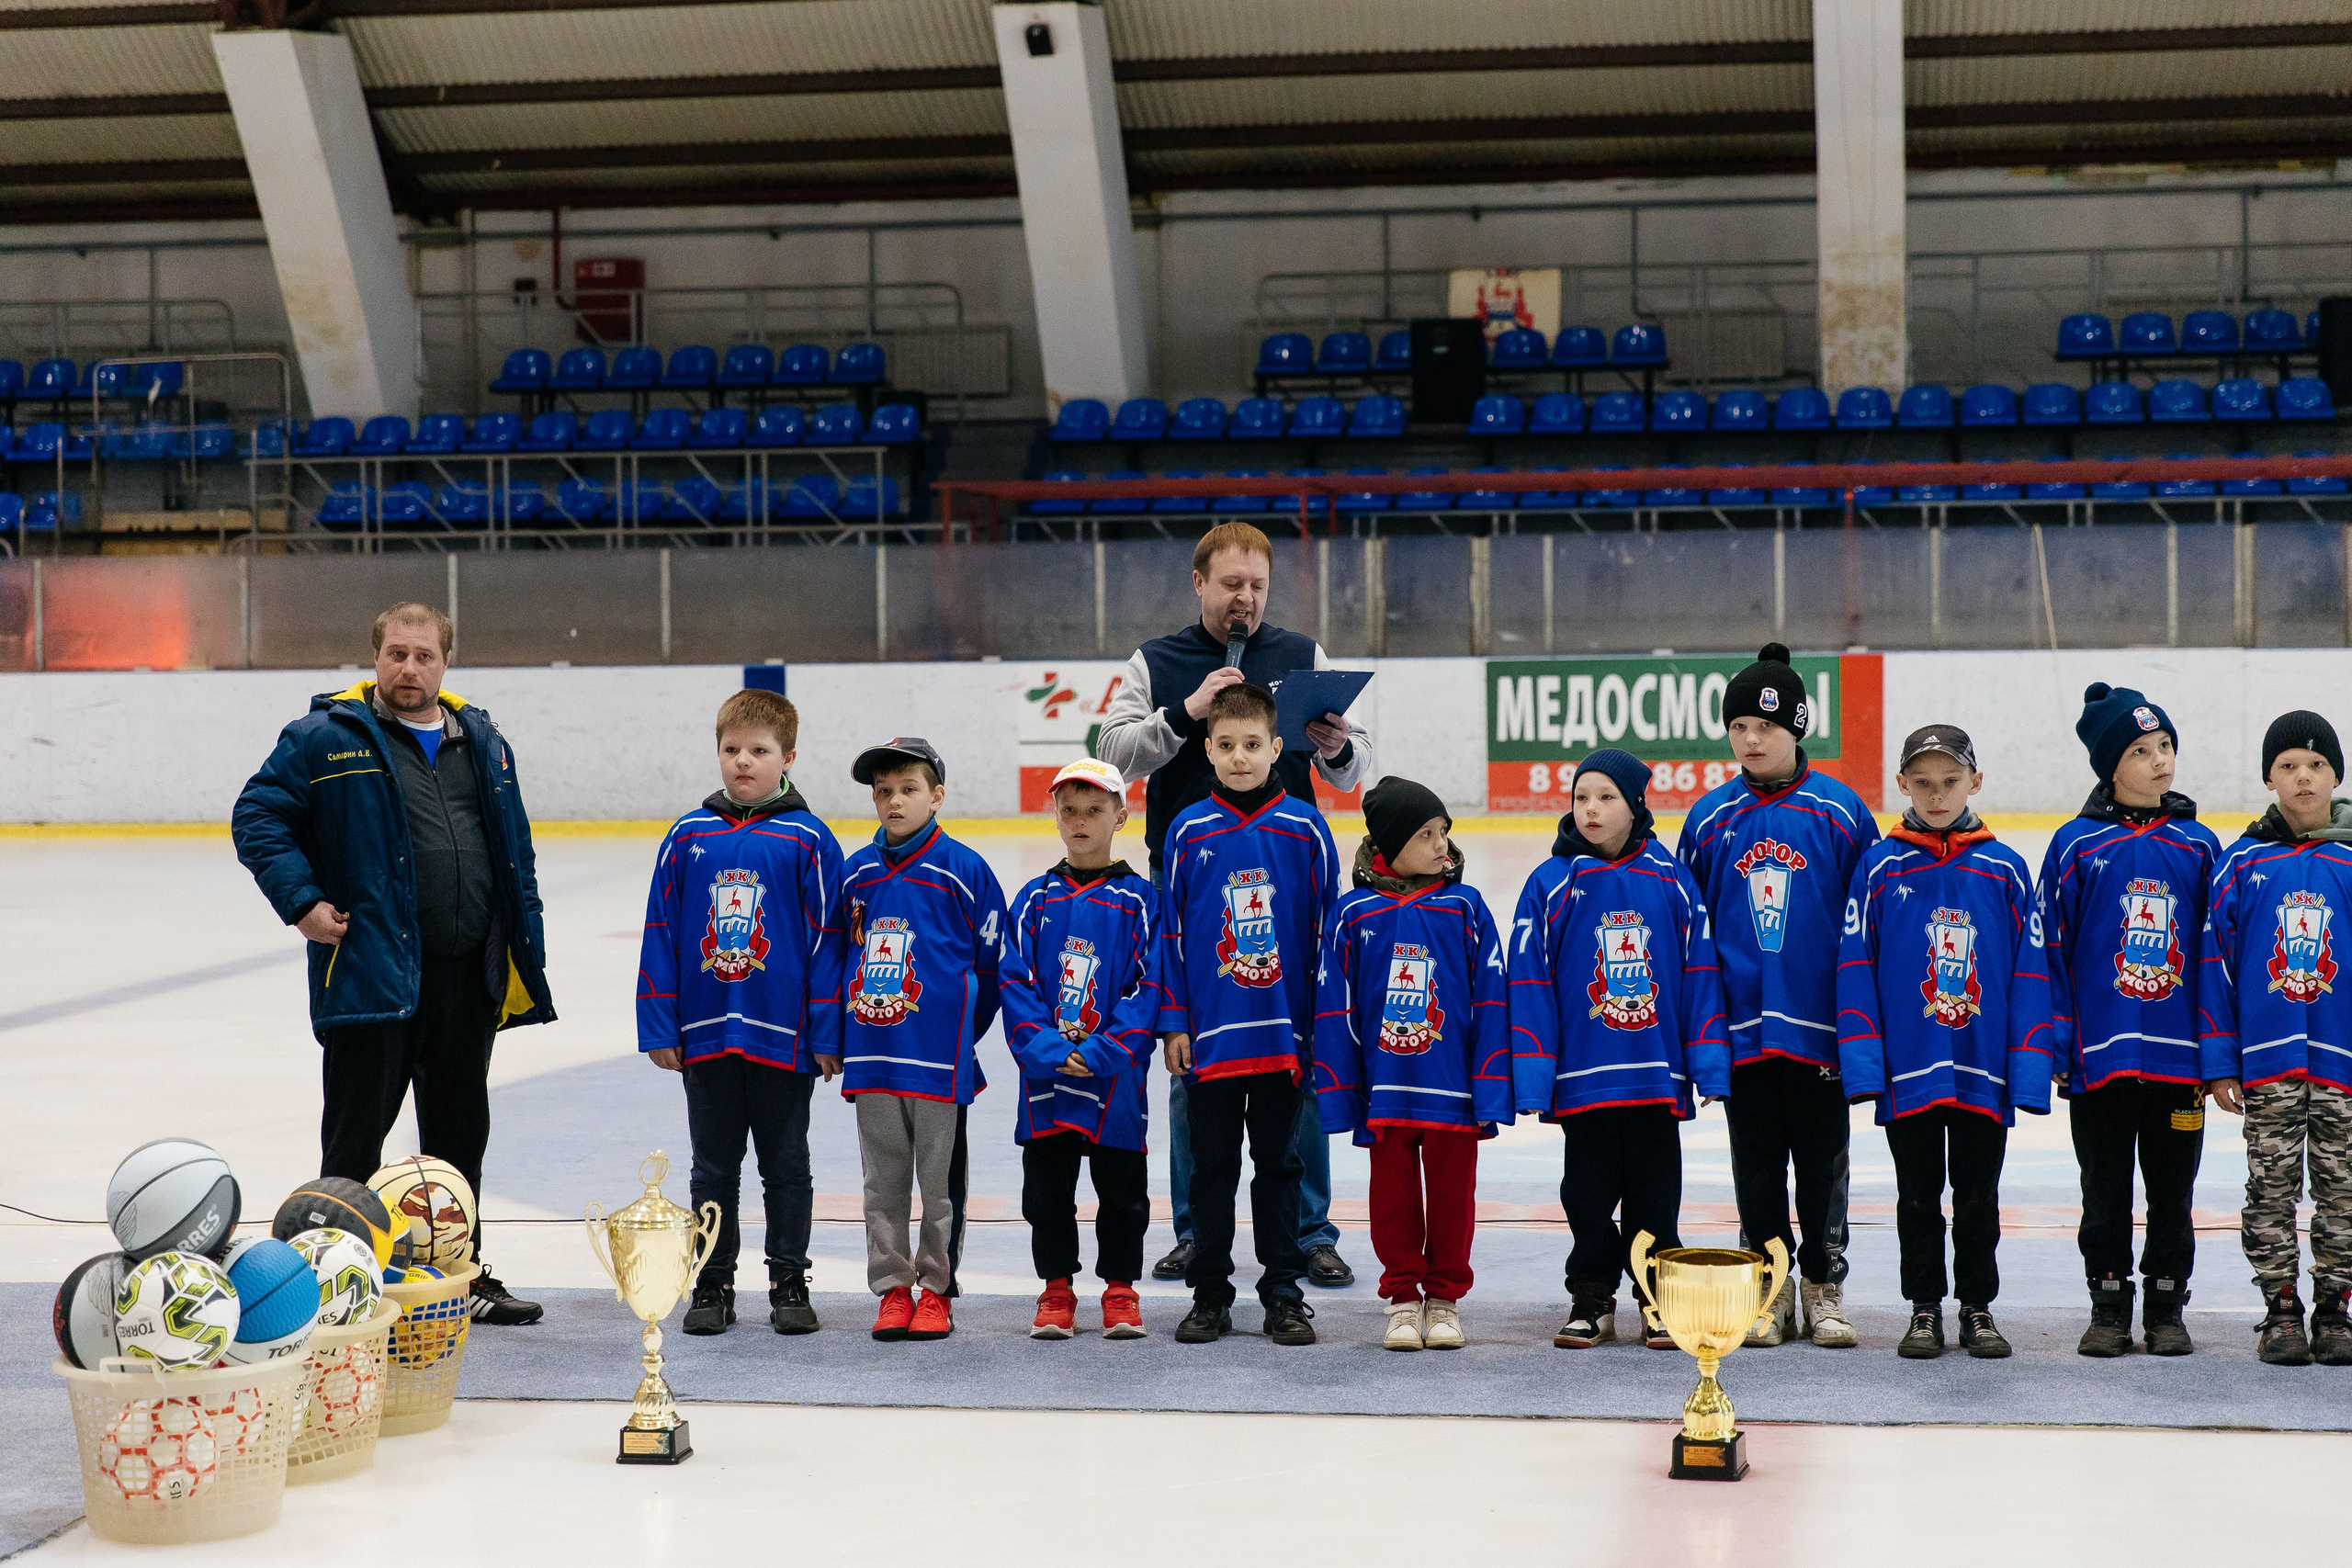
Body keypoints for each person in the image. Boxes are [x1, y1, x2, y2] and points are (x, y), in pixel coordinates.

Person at [232, 602, 553, 1326]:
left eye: (425, 655)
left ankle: (458, 1275)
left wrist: (520, 942)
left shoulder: (484, 741)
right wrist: (302, 901)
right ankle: (327, 1281)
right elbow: (257, 815)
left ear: (446, 663)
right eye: (397, 654)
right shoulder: (324, 736)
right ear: (375, 658)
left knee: (458, 1136)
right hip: (371, 970)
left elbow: (515, 851)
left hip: (467, 975)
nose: (410, 668)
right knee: (353, 1142)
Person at [1094, 520, 1371, 1289]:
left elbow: (1356, 770)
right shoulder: (1155, 662)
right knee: (1190, 1066)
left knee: (1300, 1060)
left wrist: (1336, 744)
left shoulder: (1302, 654)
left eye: (1256, 586)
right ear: (1199, 583)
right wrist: (1184, 713)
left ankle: (1310, 1230)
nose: (1245, 599)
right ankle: (1195, 1230)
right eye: (1231, 585)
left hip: (1287, 889)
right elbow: (1109, 753)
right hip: (1188, 883)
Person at [1679, 642, 1878, 1349]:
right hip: (1743, 1028)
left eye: (1766, 726)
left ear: (1797, 728)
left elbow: (1867, 925)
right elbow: (1689, 934)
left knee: (1824, 1161)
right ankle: (1770, 1282)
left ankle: (1824, 1284)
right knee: (1755, 1159)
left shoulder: (1842, 813)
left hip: (1821, 1028)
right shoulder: (1708, 820)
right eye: (1739, 728)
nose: (1752, 739)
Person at [1838, 726, 2052, 1360]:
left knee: (1979, 1195)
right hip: (1911, 1069)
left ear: (1975, 782)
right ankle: (1925, 1306)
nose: (1937, 795)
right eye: (1923, 782)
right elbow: (1855, 968)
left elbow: (2032, 973)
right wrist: (1864, 1066)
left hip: (1983, 1066)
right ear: (1901, 784)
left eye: (1950, 781)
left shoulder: (2006, 868)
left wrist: (2030, 1068)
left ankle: (1978, 1307)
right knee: (1916, 1194)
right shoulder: (1878, 867)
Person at [637, 689, 843, 1338]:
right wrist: (659, 1023)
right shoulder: (687, 836)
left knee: (787, 1164)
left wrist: (826, 1030)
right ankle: (712, 1279)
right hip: (707, 1036)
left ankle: (788, 1277)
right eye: (732, 750)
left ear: (789, 757)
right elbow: (661, 930)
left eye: (759, 751)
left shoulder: (808, 838)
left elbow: (829, 940)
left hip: (785, 1039)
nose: (744, 762)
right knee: (712, 1166)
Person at [1510, 750, 1728, 1350]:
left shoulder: (1672, 881)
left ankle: (1657, 1299)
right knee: (1584, 1194)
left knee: (1656, 1196)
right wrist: (1532, 1076)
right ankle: (1590, 1294)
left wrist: (1708, 1063)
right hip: (1583, 1079)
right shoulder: (1550, 884)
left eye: (1605, 797)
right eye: (1582, 797)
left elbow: (1700, 975)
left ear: (1635, 805)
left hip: (1655, 1078)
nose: (1591, 809)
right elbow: (1528, 984)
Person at [1155, 682, 1340, 1347]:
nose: (1239, 757)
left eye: (1252, 745)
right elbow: (1168, 934)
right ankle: (1209, 1293)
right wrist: (1174, 1021)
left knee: (1280, 1167)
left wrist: (1318, 1026)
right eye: (1226, 745)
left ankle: (1284, 1293)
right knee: (1211, 1169)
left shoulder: (1305, 828)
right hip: (1208, 1040)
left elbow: (1326, 936)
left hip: (1282, 1038)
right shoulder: (1187, 830)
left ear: (1277, 749)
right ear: (1207, 749)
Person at [2038, 683, 2219, 1358]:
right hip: (2101, 1061)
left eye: (2165, 745)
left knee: (2173, 1190)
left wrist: (2217, 1050)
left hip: (2180, 1065)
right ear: (2111, 765)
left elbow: (2217, 955)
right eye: (2141, 750)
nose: (2160, 760)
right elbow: (2050, 949)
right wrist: (2059, 1042)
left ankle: (2167, 1302)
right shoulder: (2075, 846)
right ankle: (2109, 1301)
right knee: (2104, 1189)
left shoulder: (2201, 847)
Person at [1316, 778, 1510, 1351]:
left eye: (1444, 832)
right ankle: (1403, 1296)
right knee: (1392, 1197)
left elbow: (1492, 999)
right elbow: (1335, 1007)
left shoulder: (1465, 906)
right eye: (1426, 835)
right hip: (1387, 1090)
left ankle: (1445, 1296)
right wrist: (1341, 1090)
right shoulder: (1353, 914)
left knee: (1453, 1196)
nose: (1441, 846)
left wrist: (1491, 1085)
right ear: (1389, 844)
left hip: (1453, 1091)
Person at [839, 737, 1007, 1344]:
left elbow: (994, 968)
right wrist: (842, 1036)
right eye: (883, 791)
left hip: (940, 1063)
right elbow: (838, 960)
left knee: (940, 1186)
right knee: (882, 1182)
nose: (894, 800)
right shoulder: (853, 872)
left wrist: (960, 1032)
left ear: (936, 795)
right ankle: (892, 1289)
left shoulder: (965, 871)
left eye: (908, 789)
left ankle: (936, 1288)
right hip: (874, 1059)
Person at [2200, 711, 2352, 1367]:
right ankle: (2282, 1307)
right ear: (2269, 777)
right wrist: (2218, 1062)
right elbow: (2216, 968)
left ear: (2337, 775)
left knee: (2343, 1186)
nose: (2303, 776)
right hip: (2268, 1063)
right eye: (2289, 764)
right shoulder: (2241, 863)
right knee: (2270, 1186)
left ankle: (2335, 1307)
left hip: (2342, 1062)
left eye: (2316, 764)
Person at [999, 759, 1159, 1341]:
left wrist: (1104, 1050)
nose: (1081, 821)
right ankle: (1057, 1291)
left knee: (1122, 1195)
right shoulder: (1033, 901)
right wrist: (1044, 1047)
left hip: (1113, 1082)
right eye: (1069, 810)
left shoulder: (1142, 902)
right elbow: (1014, 982)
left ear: (1121, 814)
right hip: (1047, 1085)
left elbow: (1150, 986)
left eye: (1095, 810)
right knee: (1046, 1195)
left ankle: (1120, 1290)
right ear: (1055, 816)